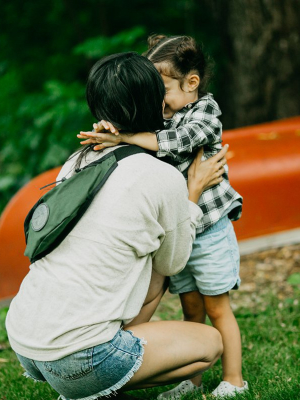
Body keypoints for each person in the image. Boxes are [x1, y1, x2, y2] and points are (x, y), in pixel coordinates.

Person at [5, 52, 227, 400]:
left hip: (25, 341)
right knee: (210, 344)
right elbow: (173, 263)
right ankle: (90, 384)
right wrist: (191, 195)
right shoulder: (162, 177)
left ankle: (89, 379)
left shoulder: (78, 159)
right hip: (78, 358)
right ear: (156, 100)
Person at [78, 35, 248, 399]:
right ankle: (194, 378)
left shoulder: (205, 112)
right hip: (179, 230)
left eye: (164, 88)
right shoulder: (166, 112)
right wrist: (115, 132)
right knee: (191, 308)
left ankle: (234, 378)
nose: (159, 100)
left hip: (209, 229)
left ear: (192, 83)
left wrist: (129, 136)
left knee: (218, 308)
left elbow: (176, 142)